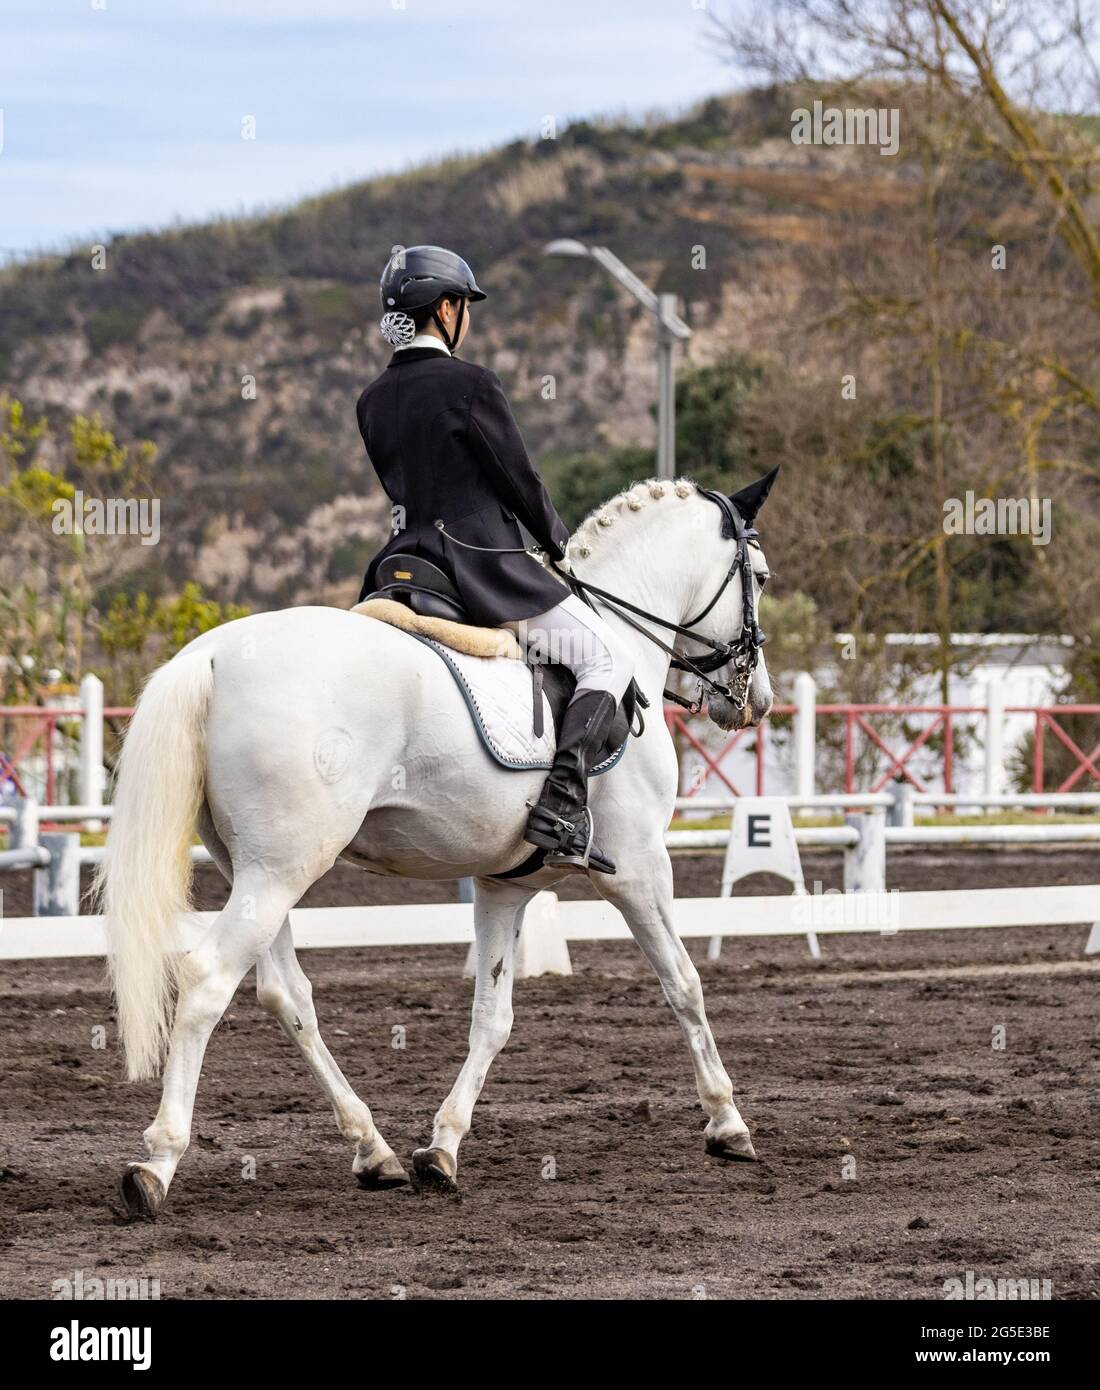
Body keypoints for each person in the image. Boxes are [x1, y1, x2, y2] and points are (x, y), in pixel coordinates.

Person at [356, 245, 634, 873]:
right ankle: (562, 806)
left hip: (403, 563)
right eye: (466, 307)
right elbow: (519, 479)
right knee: (603, 659)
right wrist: (558, 542)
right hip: (483, 566)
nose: (469, 318)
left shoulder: (371, 399)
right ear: (447, 309)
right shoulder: (471, 384)